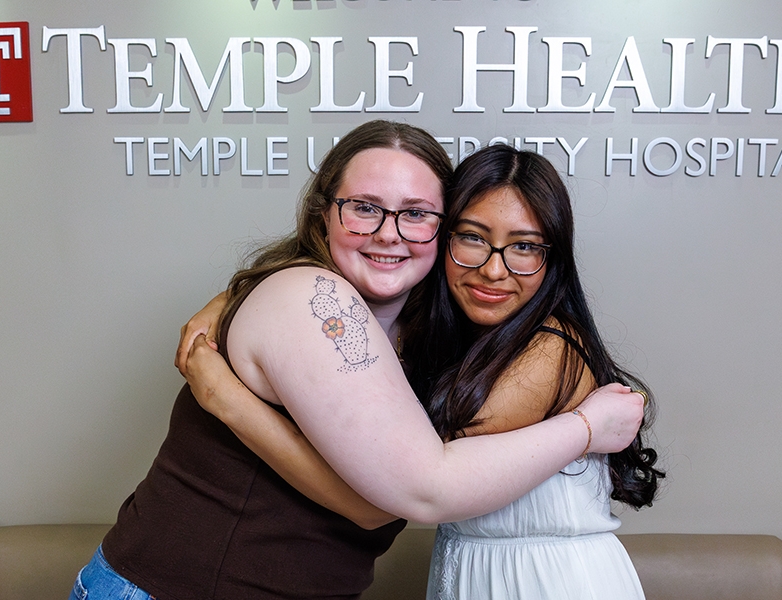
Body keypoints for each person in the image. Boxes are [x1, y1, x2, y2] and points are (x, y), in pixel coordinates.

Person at [72, 120, 645, 600]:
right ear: (324, 212)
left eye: (417, 213)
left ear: (440, 230)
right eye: (365, 208)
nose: (389, 234)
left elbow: (388, 497)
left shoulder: (419, 331)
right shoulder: (312, 295)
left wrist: (231, 402)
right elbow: (413, 488)